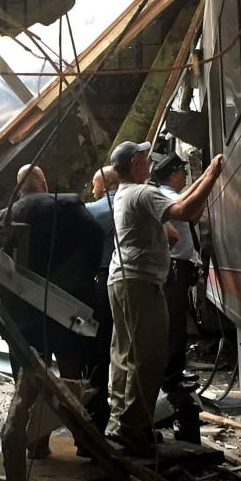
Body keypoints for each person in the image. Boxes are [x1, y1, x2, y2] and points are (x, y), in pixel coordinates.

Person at [105, 140, 223, 454]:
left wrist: (205, 176)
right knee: (150, 358)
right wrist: (212, 174)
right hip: (141, 283)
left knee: (124, 355)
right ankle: (133, 428)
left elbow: (183, 206)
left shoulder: (125, 194)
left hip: (121, 280)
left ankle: (119, 423)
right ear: (135, 164)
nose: (149, 162)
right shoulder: (142, 192)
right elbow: (186, 211)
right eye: (144, 158)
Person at [1, 164, 104, 456]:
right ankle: (86, 443)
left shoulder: (2, 218)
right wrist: (83, 276)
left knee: (29, 379)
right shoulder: (69, 205)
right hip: (68, 311)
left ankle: (35, 445)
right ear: (43, 182)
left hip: (24, 316)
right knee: (77, 376)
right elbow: (96, 236)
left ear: (19, 188)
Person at [152, 151, 201, 389]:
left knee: (177, 322)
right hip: (173, 267)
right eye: (183, 173)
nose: (184, 177)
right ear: (173, 174)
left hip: (177, 266)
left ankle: (175, 372)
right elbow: (190, 213)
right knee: (174, 325)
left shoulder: (172, 195)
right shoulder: (166, 197)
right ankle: (171, 378)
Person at [83, 165, 120, 434]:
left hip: (105, 278)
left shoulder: (102, 207)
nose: (92, 188)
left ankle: (97, 414)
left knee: (100, 345)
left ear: (105, 185)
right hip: (129, 280)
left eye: (95, 184)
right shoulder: (133, 200)